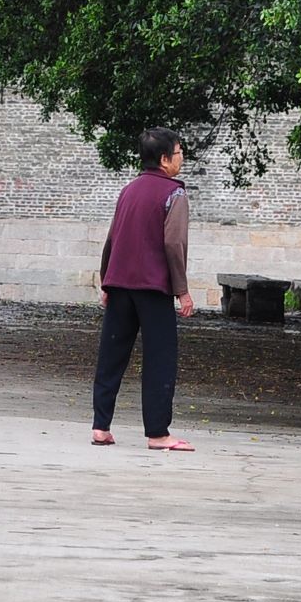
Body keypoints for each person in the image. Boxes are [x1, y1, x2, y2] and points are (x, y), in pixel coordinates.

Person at [89, 126, 195, 450]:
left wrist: (107, 280)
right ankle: (158, 433)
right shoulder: (174, 193)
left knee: (111, 355)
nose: (181, 158)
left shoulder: (129, 190)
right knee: (160, 357)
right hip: (152, 287)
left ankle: (101, 427)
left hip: (120, 283)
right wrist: (182, 290)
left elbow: (112, 237)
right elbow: (174, 244)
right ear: (164, 159)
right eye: (178, 153)